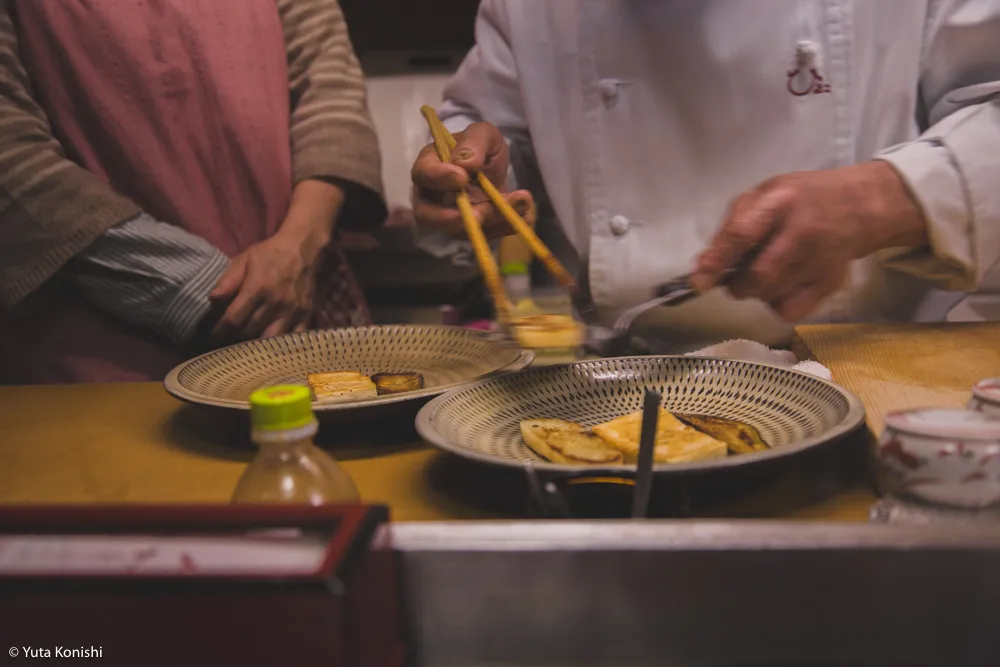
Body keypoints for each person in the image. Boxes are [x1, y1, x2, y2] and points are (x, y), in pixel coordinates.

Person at [411, 1, 1000, 352]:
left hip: (868, 368)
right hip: (628, 379)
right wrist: (475, 176)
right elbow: (493, 130)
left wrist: (883, 198)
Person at [0, 0, 386, 384]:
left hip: (294, 299)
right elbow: (13, 157)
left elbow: (331, 90)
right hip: (100, 349)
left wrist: (300, 242)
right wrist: (213, 292)